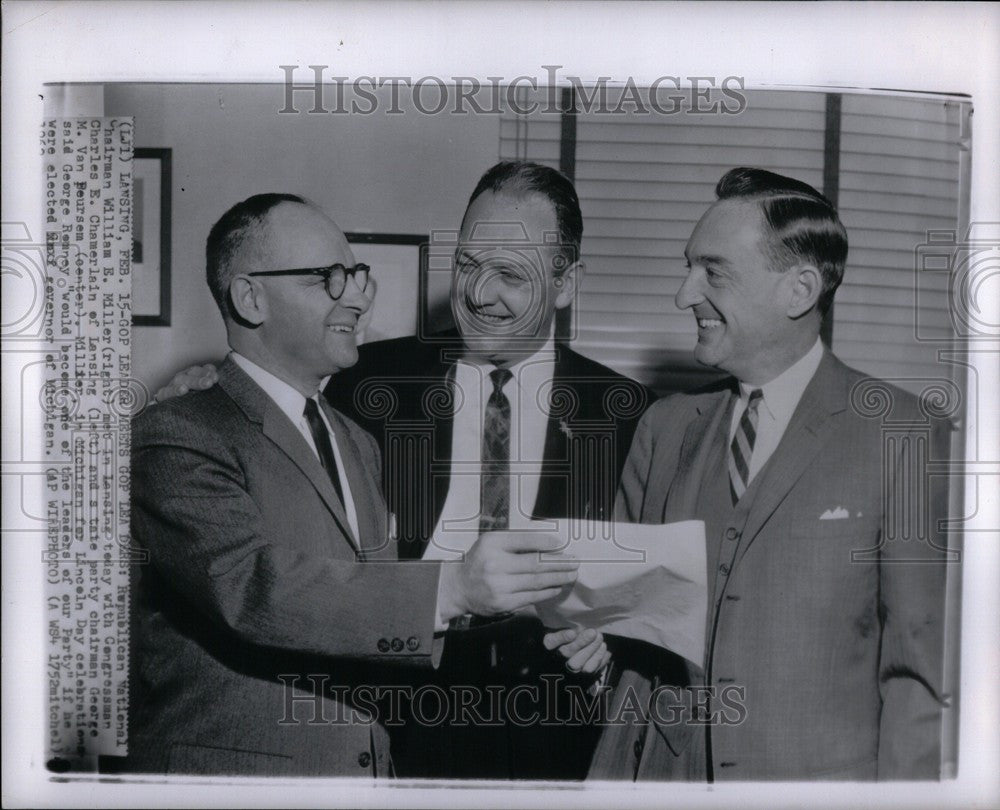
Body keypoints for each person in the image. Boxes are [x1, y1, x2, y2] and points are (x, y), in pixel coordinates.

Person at [156, 162, 654, 780]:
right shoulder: (362, 379)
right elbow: (262, 415)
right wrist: (202, 385)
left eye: (510, 275)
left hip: (553, 740)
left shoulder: (636, 419)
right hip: (389, 730)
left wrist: (608, 650)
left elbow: (658, 604)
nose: (477, 293)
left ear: (566, 282)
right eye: (468, 265)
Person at [587, 168, 951, 781]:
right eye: (688, 268)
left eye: (713, 271)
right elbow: (627, 639)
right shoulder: (663, 428)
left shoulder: (905, 434)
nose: (684, 295)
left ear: (799, 289)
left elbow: (921, 676)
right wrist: (592, 642)